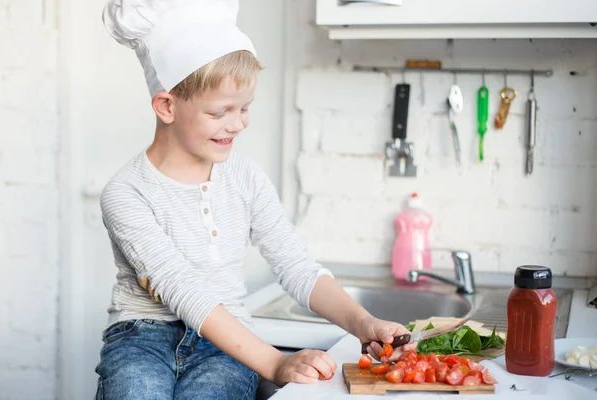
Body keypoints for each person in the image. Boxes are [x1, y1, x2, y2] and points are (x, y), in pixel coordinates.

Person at [95, 1, 414, 398]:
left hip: (227, 344)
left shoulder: (246, 178)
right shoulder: (126, 192)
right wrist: (274, 363)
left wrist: (364, 324)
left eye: (245, 107)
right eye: (221, 111)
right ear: (167, 106)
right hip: (141, 339)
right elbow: (183, 288)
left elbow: (297, 267)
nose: (238, 123)